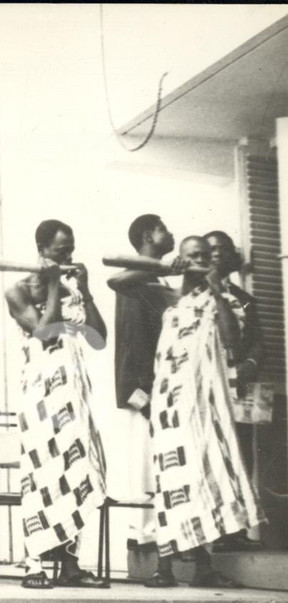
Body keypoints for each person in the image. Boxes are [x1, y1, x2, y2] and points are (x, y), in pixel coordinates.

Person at [148, 236, 267, 587]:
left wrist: (216, 291)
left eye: (204, 257)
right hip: (168, 403)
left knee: (202, 481)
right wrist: (166, 267)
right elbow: (119, 281)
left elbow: (231, 339)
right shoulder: (170, 296)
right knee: (169, 482)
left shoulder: (227, 299)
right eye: (192, 256)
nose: (200, 261)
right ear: (182, 259)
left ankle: (202, 567)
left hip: (203, 406)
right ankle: (164, 569)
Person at [5, 219, 108, 589]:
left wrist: (86, 290)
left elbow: (98, 339)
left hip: (75, 390)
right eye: (61, 250)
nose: (68, 256)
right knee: (43, 474)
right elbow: (46, 333)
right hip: (41, 392)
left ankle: (70, 564)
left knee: (75, 471)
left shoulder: (71, 289)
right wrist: (50, 284)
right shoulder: (18, 290)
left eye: (70, 249)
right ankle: (33, 562)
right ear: (43, 249)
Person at [106, 214, 181, 568]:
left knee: (154, 466)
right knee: (145, 469)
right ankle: (144, 545)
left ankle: (156, 538)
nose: (171, 232)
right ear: (149, 235)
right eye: (163, 228)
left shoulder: (153, 278)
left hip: (156, 388)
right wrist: (143, 394)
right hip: (143, 389)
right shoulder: (137, 280)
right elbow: (133, 340)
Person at [205, 230, 266, 552]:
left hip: (239, 389)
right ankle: (213, 529)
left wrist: (250, 364)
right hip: (207, 390)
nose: (216, 254)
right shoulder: (192, 295)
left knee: (240, 455)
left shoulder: (244, 298)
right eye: (210, 248)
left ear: (231, 256)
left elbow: (257, 340)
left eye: (222, 249)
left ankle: (237, 530)